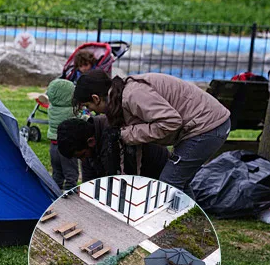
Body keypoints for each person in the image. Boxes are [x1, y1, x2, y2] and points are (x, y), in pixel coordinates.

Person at [73, 69, 231, 193]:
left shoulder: (132, 95)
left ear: (96, 98)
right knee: (178, 183)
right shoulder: (120, 96)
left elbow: (171, 122)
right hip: (201, 126)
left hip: (207, 126)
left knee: (169, 184)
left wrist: (126, 134)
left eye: (88, 106)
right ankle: (189, 219)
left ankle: (179, 223)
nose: (92, 112)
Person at [57, 116, 170, 182]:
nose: (82, 160)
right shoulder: (86, 140)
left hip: (157, 171)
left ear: (91, 141)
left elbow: (121, 183)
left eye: (82, 155)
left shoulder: (113, 139)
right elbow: (90, 181)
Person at [47, 78, 79, 191]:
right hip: (66, 147)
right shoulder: (71, 111)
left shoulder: (51, 108)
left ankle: (54, 190)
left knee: (57, 172)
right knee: (71, 172)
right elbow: (80, 121)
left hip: (53, 146)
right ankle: (70, 190)